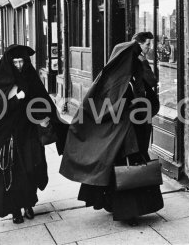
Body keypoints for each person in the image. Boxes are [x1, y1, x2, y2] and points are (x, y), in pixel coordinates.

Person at [60, 31, 162, 226]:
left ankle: (127, 207)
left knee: (131, 166)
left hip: (135, 127)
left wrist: (142, 64)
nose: (149, 49)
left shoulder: (136, 71)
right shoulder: (117, 78)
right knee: (125, 167)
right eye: (147, 45)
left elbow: (150, 85)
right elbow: (110, 103)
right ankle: (128, 211)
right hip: (122, 131)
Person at [0, 44, 67, 224]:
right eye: (15, 62)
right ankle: (15, 209)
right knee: (11, 173)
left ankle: (28, 204)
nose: (19, 65)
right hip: (8, 136)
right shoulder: (0, 81)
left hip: (28, 133)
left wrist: (46, 117)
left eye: (22, 61)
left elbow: (42, 100)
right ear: (9, 62)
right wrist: (15, 99)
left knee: (31, 169)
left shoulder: (30, 77)